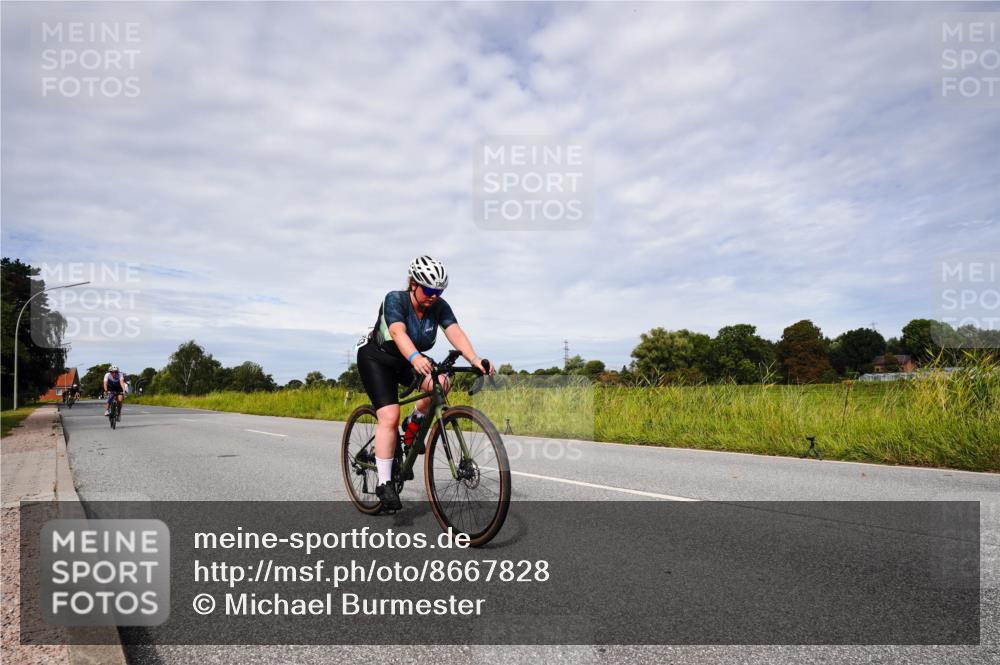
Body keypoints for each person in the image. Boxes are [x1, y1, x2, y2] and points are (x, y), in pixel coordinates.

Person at [356, 256, 493, 511]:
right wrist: (416, 357)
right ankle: (385, 483)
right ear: (413, 284)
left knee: (441, 382)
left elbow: (455, 332)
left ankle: (415, 421)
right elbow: (398, 332)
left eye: (439, 291)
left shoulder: (439, 306)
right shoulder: (395, 299)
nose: (434, 295)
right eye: (429, 290)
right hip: (377, 358)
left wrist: (474, 358)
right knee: (389, 415)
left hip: (408, 359)